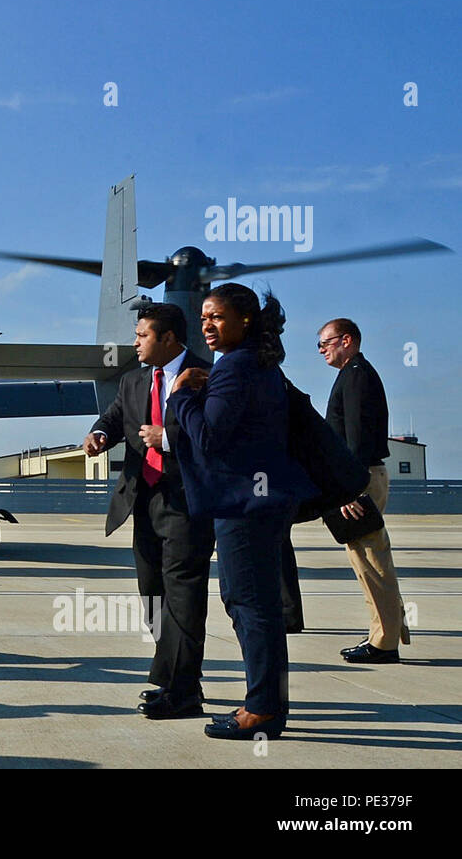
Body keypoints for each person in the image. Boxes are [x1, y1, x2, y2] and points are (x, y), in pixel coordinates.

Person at [168, 284, 318, 740]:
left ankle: (264, 710)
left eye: (216, 317)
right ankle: (265, 702)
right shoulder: (261, 363)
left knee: (250, 606)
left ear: (245, 320)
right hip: (264, 500)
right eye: (204, 319)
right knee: (255, 604)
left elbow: (210, 438)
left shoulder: (234, 367)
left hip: (245, 506)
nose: (207, 326)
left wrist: (181, 396)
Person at [85, 302, 215, 720]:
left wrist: (169, 438)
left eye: (142, 335)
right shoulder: (133, 381)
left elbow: (221, 432)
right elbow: (114, 417)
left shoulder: (206, 374)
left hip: (187, 500)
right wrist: (100, 434)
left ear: (169, 339)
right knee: (153, 595)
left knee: (183, 595)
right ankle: (174, 680)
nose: (135, 343)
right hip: (144, 499)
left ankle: (183, 691)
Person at [319, 317, 410, 663]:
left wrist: (350, 491)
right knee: (367, 558)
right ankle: (383, 630)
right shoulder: (353, 373)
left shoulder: (356, 375)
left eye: (326, 343)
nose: (322, 350)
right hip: (361, 477)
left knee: (372, 559)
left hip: (361, 479)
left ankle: (385, 643)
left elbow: (355, 439)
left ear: (347, 340)